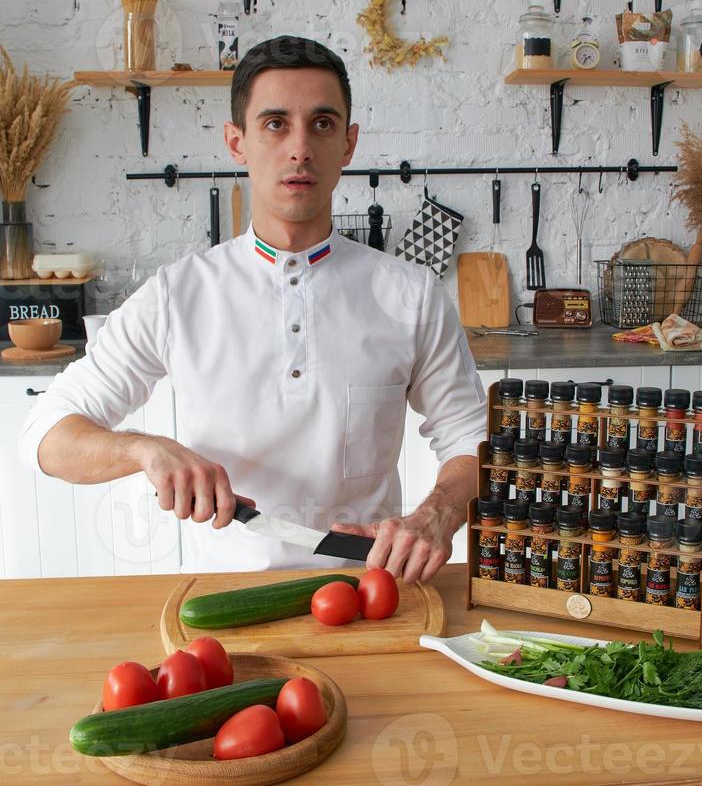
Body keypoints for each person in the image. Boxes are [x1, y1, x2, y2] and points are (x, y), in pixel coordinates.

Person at [19, 36, 486, 582]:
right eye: (274, 124)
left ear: (349, 143)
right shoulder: (177, 295)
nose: (300, 149)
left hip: (371, 590)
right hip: (223, 594)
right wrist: (146, 450)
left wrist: (439, 514)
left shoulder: (412, 294)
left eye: (322, 124)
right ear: (236, 142)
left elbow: (472, 438)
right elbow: (45, 435)